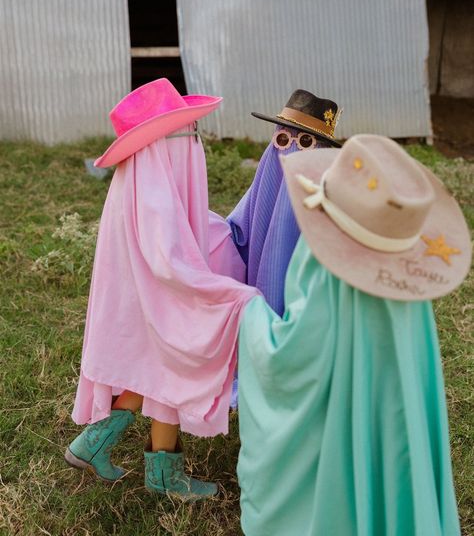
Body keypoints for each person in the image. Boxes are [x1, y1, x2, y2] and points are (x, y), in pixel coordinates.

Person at [237, 134, 471, 535]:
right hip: (393, 399)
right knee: (395, 442)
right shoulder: (409, 286)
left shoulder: (328, 264)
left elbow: (292, 354)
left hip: (326, 434)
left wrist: (249, 316)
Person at [65, 78, 257, 500]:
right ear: (162, 140)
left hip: (140, 293)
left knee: (160, 364)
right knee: (169, 359)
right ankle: (149, 468)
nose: (195, 142)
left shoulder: (144, 174)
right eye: (188, 133)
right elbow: (168, 255)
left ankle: (104, 446)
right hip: (152, 291)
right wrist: (229, 294)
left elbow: (186, 224)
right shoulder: (153, 181)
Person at [228, 89, 341, 317]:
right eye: (282, 139)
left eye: (305, 142)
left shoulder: (328, 194)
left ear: (321, 151)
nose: (291, 148)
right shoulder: (264, 180)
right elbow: (234, 231)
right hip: (255, 313)